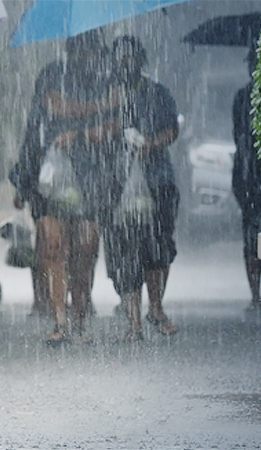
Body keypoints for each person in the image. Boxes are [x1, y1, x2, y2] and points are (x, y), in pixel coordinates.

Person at [9, 33, 120, 344]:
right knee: (55, 245)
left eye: (90, 48)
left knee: (85, 248)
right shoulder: (53, 73)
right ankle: (60, 319)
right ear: (72, 48)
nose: (85, 54)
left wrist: (82, 134)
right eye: (80, 47)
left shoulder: (108, 77)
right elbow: (56, 108)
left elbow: (114, 124)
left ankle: (79, 318)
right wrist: (98, 106)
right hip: (48, 173)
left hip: (94, 175)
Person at [105, 36, 180, 340]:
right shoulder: (106, 96)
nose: (125, 64)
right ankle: (133, 322)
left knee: (157, 246)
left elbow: (172, 129)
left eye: (130, 58)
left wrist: (151, 144)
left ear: (141, 61)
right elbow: (97, 132)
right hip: (116, 185)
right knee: (124, 252)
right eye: (120, 58)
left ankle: (156, 309)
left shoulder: (158, 93)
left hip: (157, 181)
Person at [231, 47, 261, 312]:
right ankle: (256, 295)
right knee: (252, 235)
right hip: (249, 174)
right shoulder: (243, 97)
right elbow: (239, 135)